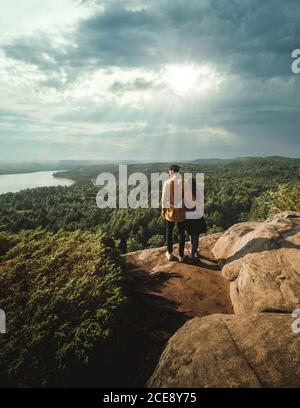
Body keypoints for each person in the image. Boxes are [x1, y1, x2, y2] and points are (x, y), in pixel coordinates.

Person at [162, 164, 186, 263]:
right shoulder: (183, 182)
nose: (168, 173)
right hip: (181, 211)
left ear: (171, 171)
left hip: (170, 212)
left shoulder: (167, 183)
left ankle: (170, 254)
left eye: (169, 171)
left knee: (169, 232)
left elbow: (164, 199)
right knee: (181, 233)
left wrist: (163, 211)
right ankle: (181, 256)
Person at [184, 177, 207, 260]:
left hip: (188, 218)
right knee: (196, 236)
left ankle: (193, 253)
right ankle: (194, 253)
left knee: (191, 234)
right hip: (197, 217)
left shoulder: (186, 194)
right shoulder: (199, 193)